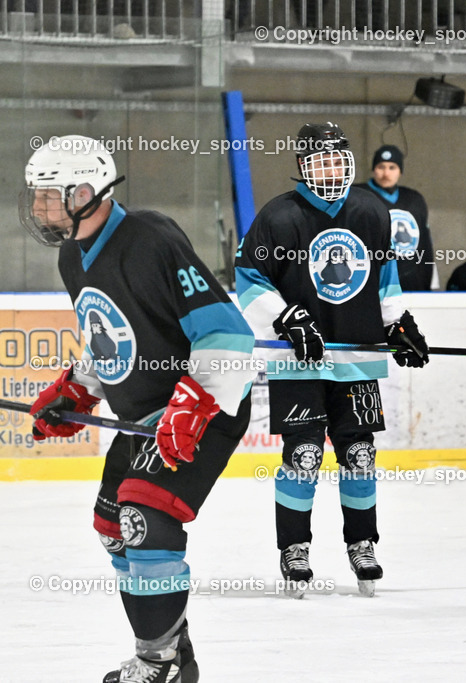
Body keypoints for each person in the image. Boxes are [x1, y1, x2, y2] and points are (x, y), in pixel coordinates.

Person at [22, 135, 255, 683]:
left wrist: (193, 405)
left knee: (144, 518)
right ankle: (174, 650)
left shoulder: (148, 237)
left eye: (48, 195)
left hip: (203, 408)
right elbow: (112, 340)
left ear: (85, 191)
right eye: (35, 195)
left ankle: (160, 663)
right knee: (113, 528)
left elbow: (229, 334)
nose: (38, 208)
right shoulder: (71, 256)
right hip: (142, 418)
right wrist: (76, 390)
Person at [235, 122, 430, 599]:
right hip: (298, 361)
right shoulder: (278, 217)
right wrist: (286, 319)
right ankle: (294, 548)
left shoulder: (370, 211)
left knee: (359, 456)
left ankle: (362, 543)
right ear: (302, 166)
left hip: (356, 357)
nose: (330, 168)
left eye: (337, 159)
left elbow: (385, 280)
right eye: (320, 160)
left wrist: (398, 325)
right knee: (303, 457)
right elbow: (247, 279)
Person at [354, 144, 439, 291]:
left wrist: (426, 284)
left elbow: (425, 246)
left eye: (392, 167)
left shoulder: (414, 199)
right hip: (373, 281)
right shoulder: (357, 196)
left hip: (410, 282)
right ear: (374, 169)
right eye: (381, 167)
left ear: (400, 171)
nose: (386, 173)